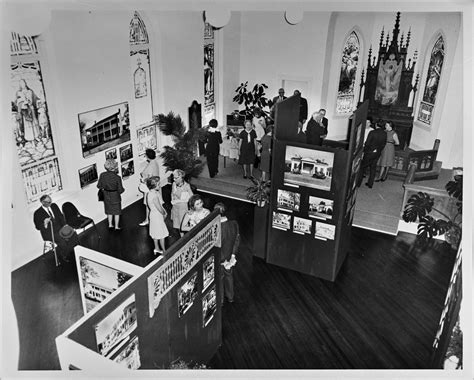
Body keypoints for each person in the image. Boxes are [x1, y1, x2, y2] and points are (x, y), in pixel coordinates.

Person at [33, 195, 76, 263]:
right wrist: (44, 223)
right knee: (61, 240)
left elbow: (60, 216)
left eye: (50, 201)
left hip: (60, 227)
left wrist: (65, 225)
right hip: (50, 232)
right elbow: (37, 227)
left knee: (73, 234)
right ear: (42, 202)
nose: (50, 203)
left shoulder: (54, 206)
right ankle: (65, 254)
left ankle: (68, 251)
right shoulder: (37, 213)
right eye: (48, 202)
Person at [214, 202, 240, 304]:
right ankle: (230, 297)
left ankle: (220, 300)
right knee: (229, 276)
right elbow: (237, 240)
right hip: (229, 256)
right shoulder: (234, 223)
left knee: (219, 278)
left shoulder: (217, 228)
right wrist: (233, 255)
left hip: (220, 257)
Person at [356, 120, 387, 189]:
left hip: (369, 153)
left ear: (376, 125)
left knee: (362, 168)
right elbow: (383, 144)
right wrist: (377, 150)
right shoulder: (385, 133)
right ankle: (370, 184)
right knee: (373, 168)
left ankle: (358, 183)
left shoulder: (372, 132)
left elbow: (367, 143)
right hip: (377, 153)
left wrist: (366, 151)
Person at [97, 158, 125, 230]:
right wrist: (123, 190)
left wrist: (105, 188)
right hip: (115, 196)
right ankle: (116, 226)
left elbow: (99, 186)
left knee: (109, 211)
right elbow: (120, 190)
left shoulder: (102, 175)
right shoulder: (117, 177)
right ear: (115, 166)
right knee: (117, 212)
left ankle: (110, 225)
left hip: (106, 196)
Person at [146, 176, 168, 255]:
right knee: (161, 234)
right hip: (157, 216)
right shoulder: (154, 196)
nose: (160, 185)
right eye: (158, 184)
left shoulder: (150, 193)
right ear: (154, 185)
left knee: (155, 233)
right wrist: (164, 213)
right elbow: (159, 208)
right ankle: (164, 251)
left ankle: (157, 248)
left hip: (152, 215)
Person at [15, 78, 41, 145]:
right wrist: (22, 102)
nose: (22, 84)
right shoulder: (18, 93)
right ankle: (31, 139)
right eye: (21, 83)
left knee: (34, 123)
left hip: (31, 109)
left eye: (23, 83)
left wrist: (29, 102)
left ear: (25, 83)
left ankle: (36, 137)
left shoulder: (30, 91)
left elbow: (33, 100)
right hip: (25, 110)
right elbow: (17, 102)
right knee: (28, 125)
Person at [138, 149, 160, 226]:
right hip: (155, 186)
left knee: (148, 204)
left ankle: (147, 220)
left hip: (149, 187)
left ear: (147, 156)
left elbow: (149, 178)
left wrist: (143, 180)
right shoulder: (154, 162)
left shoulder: (151, 165)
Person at [170, 169, 193, 235]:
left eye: (176, 178)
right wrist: (172, 200)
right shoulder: (174, 184)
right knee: (177, 224)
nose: (174, 179)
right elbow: (172, 194)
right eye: (173, 177)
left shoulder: (186, 186)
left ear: (181, 177)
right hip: (175, 207)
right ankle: (181, 238)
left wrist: (191, 209)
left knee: (183, 224)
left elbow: (192, 198)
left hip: (183, 208)